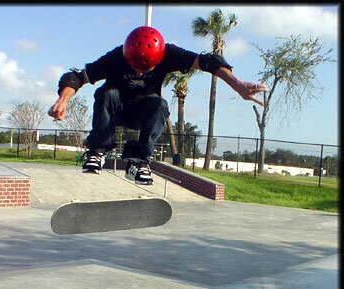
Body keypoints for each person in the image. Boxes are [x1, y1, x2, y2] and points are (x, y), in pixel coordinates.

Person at [48, 26, 267, 185]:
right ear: (127, 55)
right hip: (115, 111)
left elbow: (209, 61)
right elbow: (77, 77)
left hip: (143, 113)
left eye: (147, 69)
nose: (140, 73)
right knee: (106, 93)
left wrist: (236, 84)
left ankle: (139, 161)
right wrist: (63, 100)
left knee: (159, 104)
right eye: (136, 67)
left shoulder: (169, 54)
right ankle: (97, 151)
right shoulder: (115, 57)